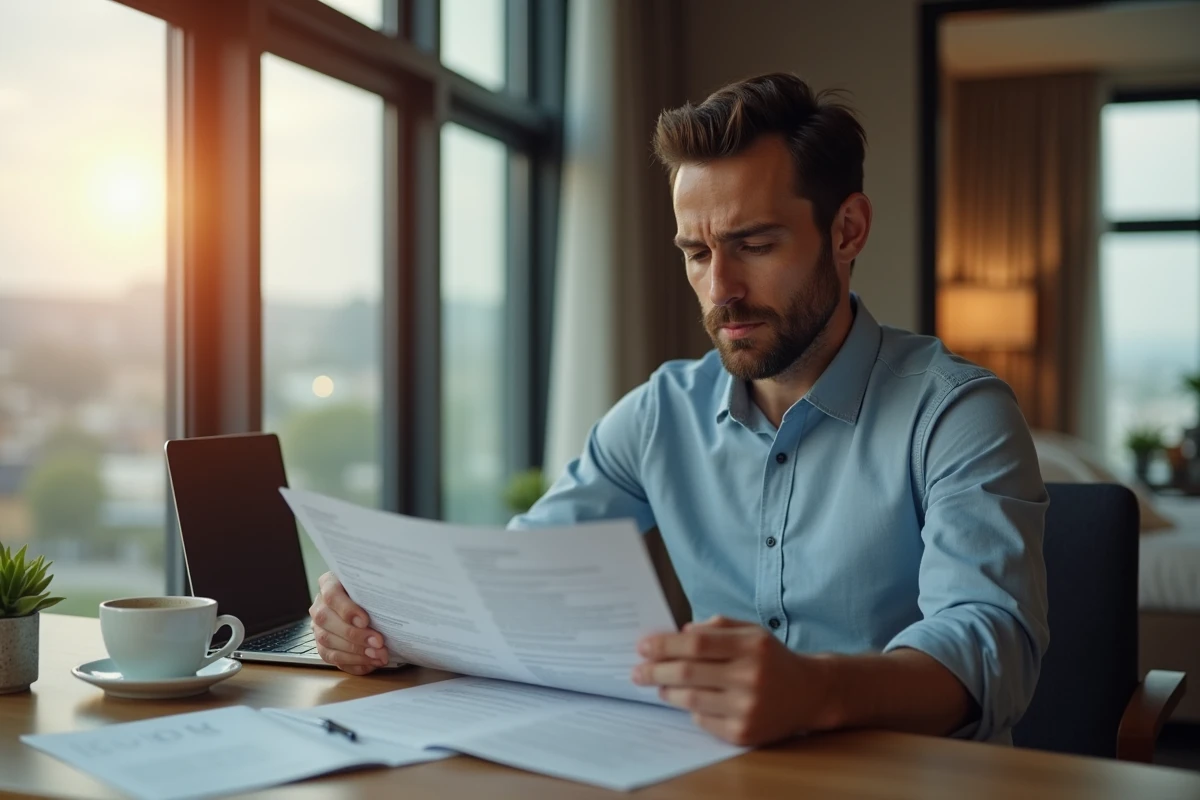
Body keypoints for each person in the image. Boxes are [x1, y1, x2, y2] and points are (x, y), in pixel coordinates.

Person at [308, 72, 1049, 749]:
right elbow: (518, 578)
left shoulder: (958, 414)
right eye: (696, 253)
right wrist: (387, 621)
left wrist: (815, 689)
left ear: (848, 230)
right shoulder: (659, 414)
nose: (720, 287)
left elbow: (989, 644)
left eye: (753, 244)